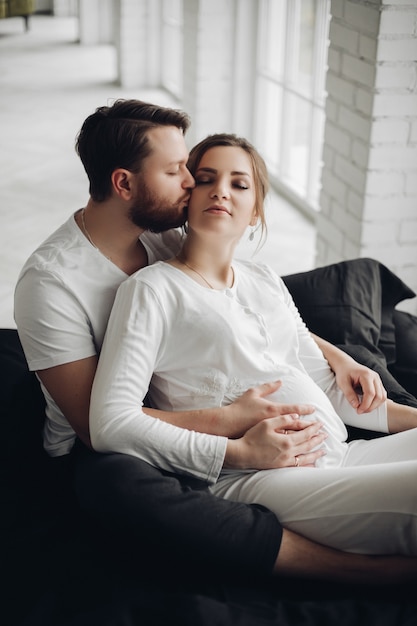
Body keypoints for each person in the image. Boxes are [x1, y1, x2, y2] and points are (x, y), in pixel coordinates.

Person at [14, 99, 413, 585]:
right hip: (100, 447)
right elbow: (101, 426)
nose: (193, 186)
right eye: (182, 172)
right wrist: (234, 436)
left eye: (196, 172)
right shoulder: (53, 282)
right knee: (122, 486)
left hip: (291, 440)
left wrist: (338, 357)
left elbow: (243, 324)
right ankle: (358, 572)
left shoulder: (162, 233)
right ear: (124, 183)